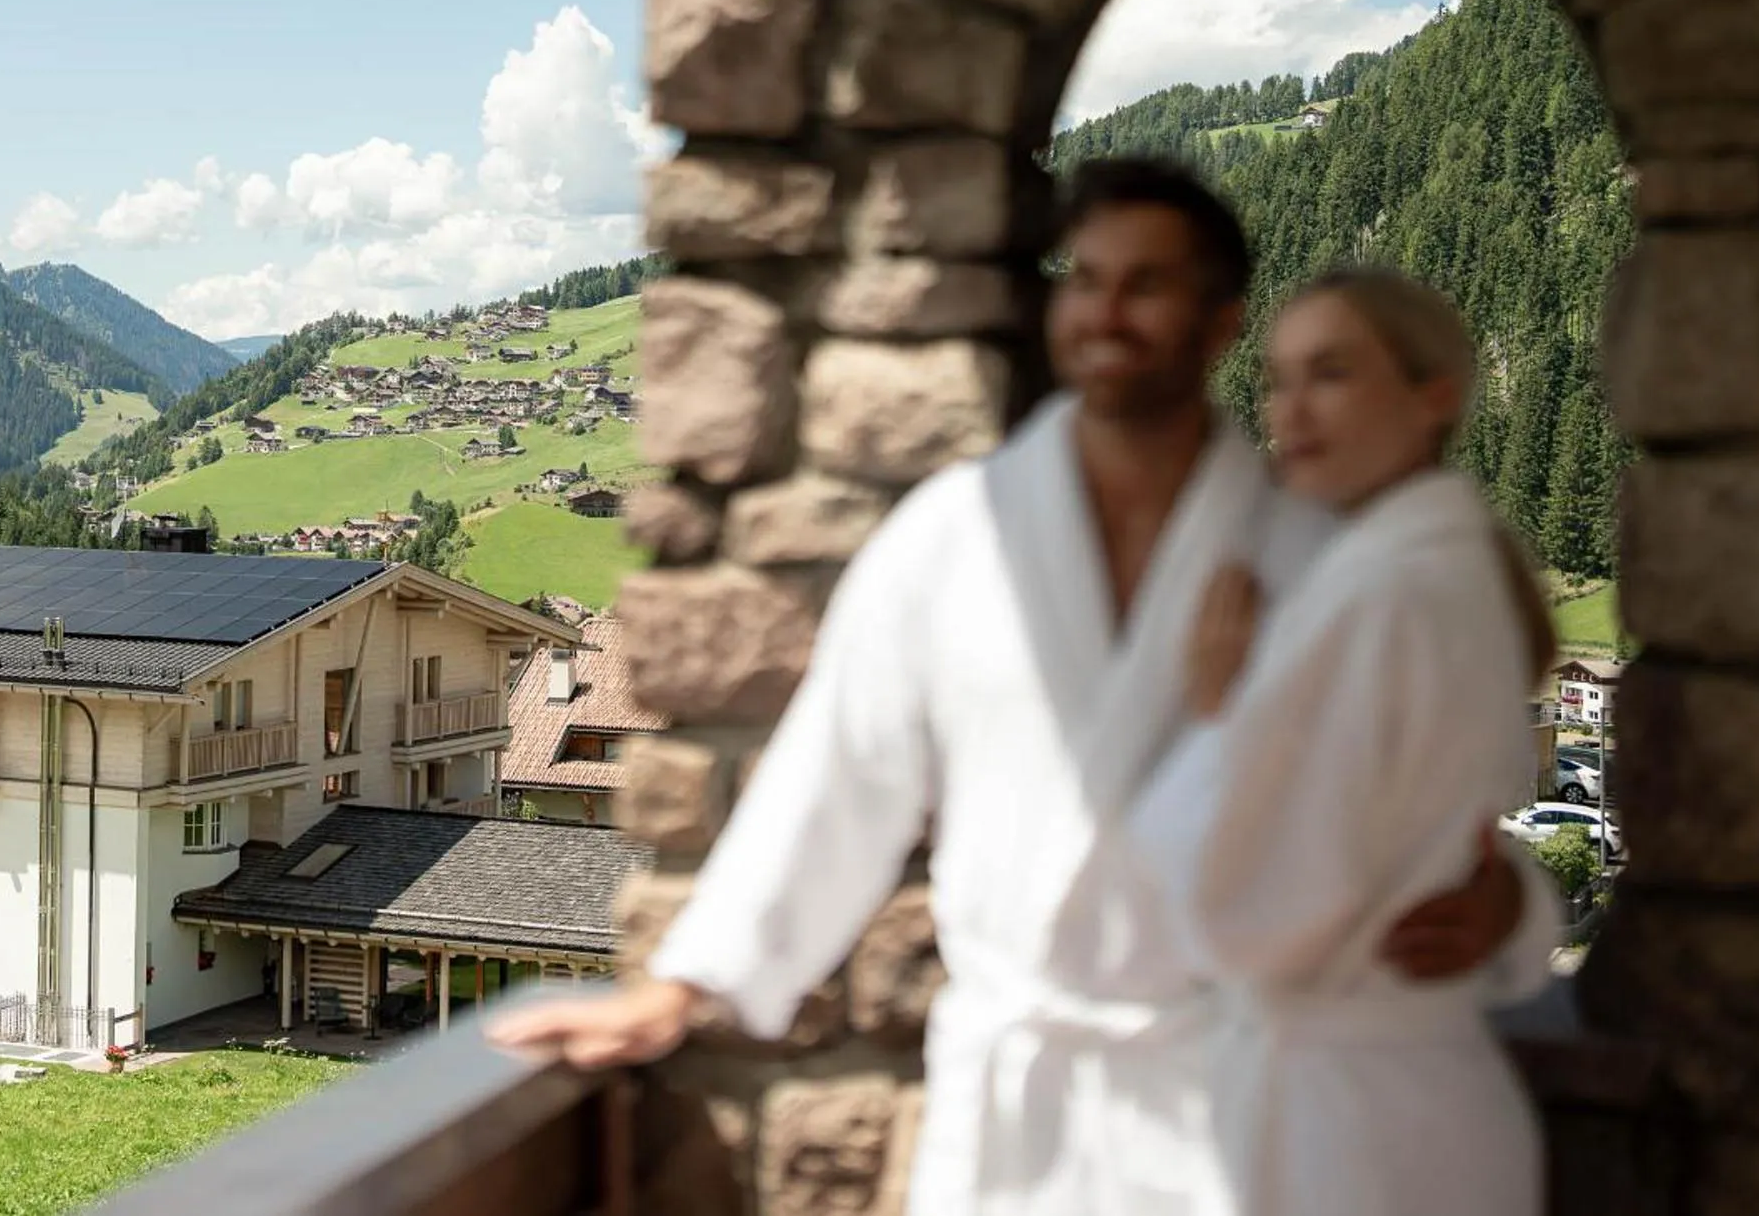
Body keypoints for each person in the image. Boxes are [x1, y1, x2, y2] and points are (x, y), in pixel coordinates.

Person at [489, 159, 1557, 1216]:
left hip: (1231, 1092)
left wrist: (1507, 906)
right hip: (1017, 1089)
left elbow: (1405, 802)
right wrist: (687, 985)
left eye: (1146, 283)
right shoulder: (954, 534)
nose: (1106, 311)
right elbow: (836, 776)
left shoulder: (1305, 550)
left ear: (1221, 320)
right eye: (1085, 278)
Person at [1127, 269, 1552, 1216]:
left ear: (1432, 395)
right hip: (1411, 1101)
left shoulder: (1378, 598)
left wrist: (1216, 715)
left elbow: (1243, 913)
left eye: (1332, 372)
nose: (1291, 410)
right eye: (1276, 378)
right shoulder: (1442, 574)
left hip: (1341, 1137)